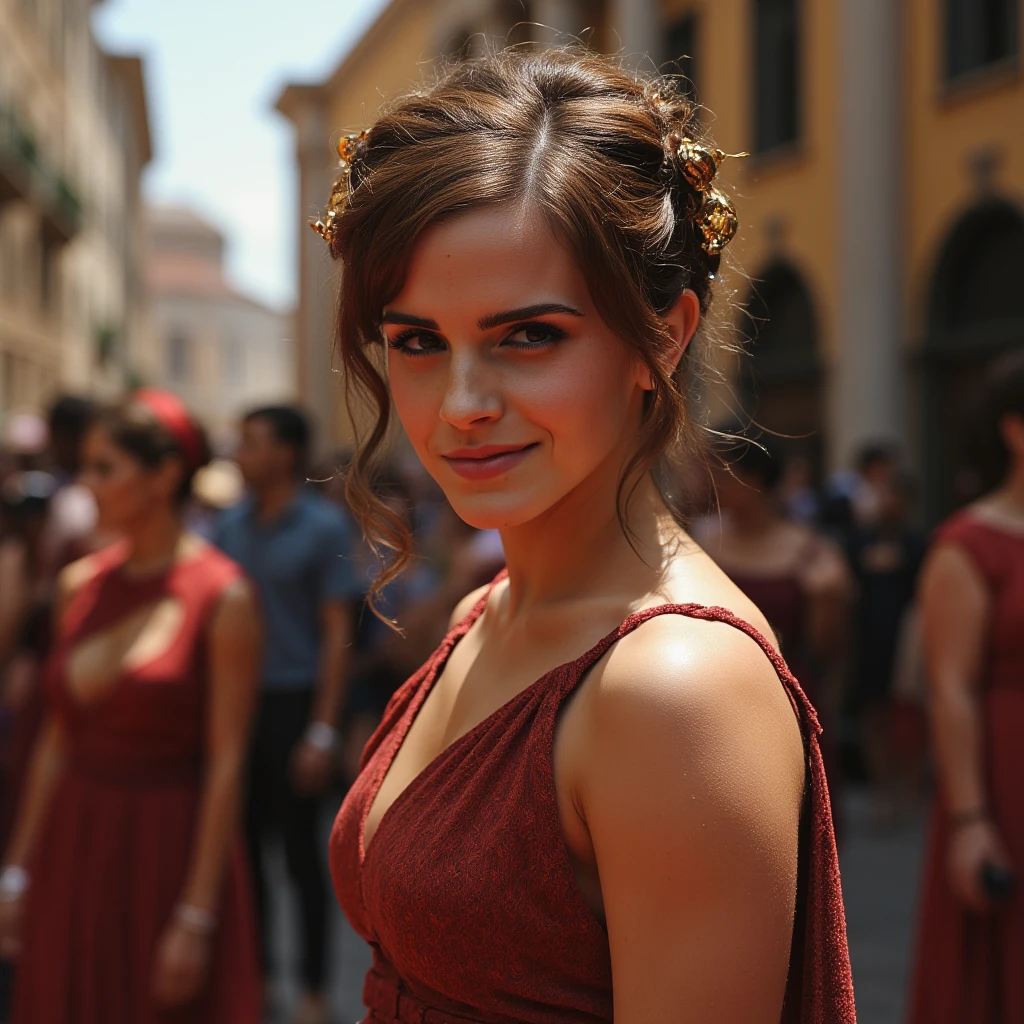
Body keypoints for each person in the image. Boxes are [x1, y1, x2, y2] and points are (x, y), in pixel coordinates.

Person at [320, 47, 854, 1023]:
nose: (464, 404)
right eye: (418, 342)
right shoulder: (494, 603)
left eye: (528, 335)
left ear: (663, 337)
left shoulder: (672, 692)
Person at [0, 389, 261, 1023]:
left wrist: (197, 914)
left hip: (162, 849)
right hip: (72, 838)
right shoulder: (77, 584)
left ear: (164, 475)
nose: (85, 485)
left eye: (104, 468)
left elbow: (226, 763)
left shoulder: (224, 597)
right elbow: (57, 739)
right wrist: (16, 872)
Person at [215, 405, 359, 1024]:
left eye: (251, 442)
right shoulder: (228, 525)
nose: (240, 453)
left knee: (301, 853)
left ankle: (313, 987)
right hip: (236, 701)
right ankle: (257, 977)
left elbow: (336, 636)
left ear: (286, 453)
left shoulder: (323, 528)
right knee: (242, 852)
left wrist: (322, 730)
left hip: (295, 701)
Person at [908, 354, 1024, 1024]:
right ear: (1016, 432)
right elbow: (949, 687)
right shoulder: (965, 544)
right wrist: (971, 821)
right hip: (1005, 781)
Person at [697, 435, 851, 836]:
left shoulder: (811, 550)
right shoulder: (700, 542)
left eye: (720, 474)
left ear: (754, 479)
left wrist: (826, 601)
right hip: (715, 700)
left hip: (789, 699)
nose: (709, 483)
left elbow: (829, 648)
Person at [845, 471, 927, 826]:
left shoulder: (919, 544)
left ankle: (908, 793)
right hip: (868, 639)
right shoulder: (858, 541)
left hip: (907, 641)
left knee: (907, 718)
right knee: (873, 717)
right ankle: (882, 795)